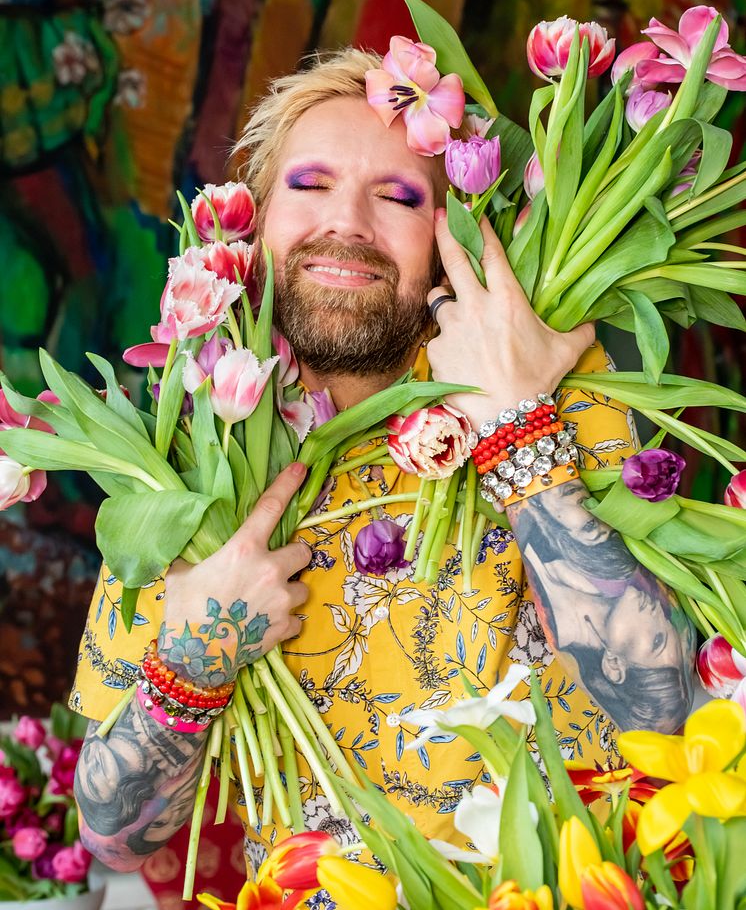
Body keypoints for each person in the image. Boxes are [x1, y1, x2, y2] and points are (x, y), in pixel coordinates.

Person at [70, 48, 696, 878]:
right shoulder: (187, 465)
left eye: (398, 196)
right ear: (254, 220)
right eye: (309, 184)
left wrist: (518, 431)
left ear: (448, 237)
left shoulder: (553, 383)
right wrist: (197, 652)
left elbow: (673, 712)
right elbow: (113, 837)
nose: (349, 224)